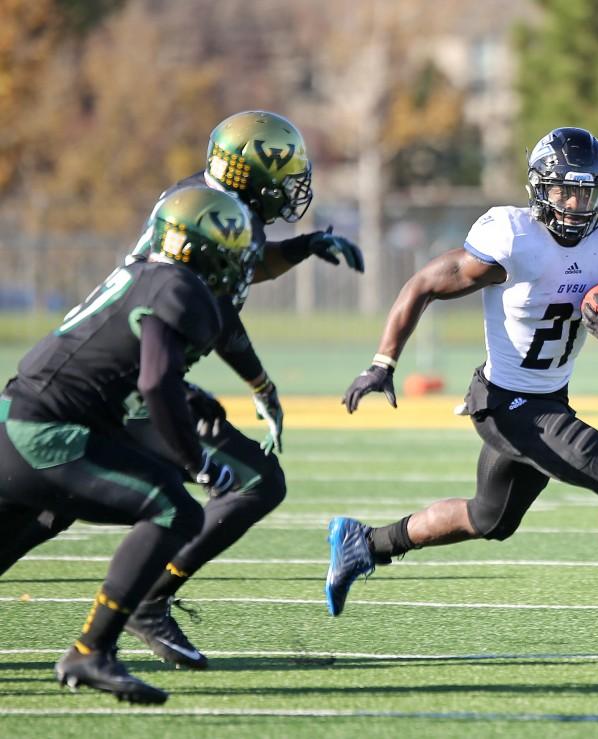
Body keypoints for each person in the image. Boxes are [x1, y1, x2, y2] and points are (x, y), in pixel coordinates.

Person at [0, 110, 365, 671]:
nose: (294, 187)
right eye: (284, 173)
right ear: (251, 174)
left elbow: (238, 272)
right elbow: (212, 304)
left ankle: (129, 615)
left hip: (90, 380)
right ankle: (148, 603)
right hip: (122, 386)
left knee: (44, 508)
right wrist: (257, 385)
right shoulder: (209, 223)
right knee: (248, 483)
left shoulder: (205, 202)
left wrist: (305, 245)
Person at [329, 126, 598, 647]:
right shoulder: (513, 238)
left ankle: (365, 543)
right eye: (564, 190)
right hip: (505, 403)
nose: (574, 203)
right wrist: (383, 362)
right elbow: (423, 285)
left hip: (549, 399)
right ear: (540, 189)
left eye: (586, 191)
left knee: (489, 519)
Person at [0, 185, 255, 703]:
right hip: (46, 433)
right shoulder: (179, 288)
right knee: (172, 509)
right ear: (204, 249)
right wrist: (196, 459)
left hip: (16, 416)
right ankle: (90, 651)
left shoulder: (142, 274)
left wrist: (187, 393)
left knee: (28, 522)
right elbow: (154, 383)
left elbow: (118, 359)